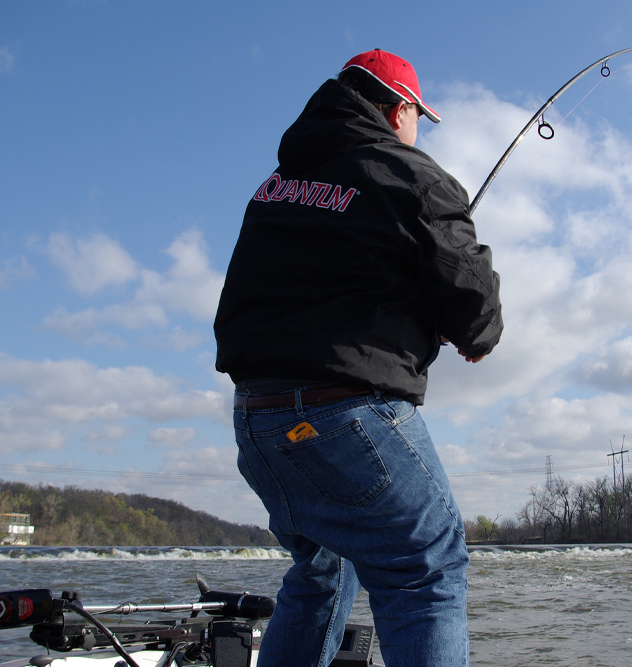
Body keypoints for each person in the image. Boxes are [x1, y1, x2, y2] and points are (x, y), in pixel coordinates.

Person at [213, 48, 503, 667]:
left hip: (257, 421)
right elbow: (472, 303)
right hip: (346, 416)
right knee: (429, 571)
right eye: (419, 114)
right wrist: (471, 336)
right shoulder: (412, 174)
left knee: (325, 568)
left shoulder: (274, 187)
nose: (417, 127)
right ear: (399, 108)